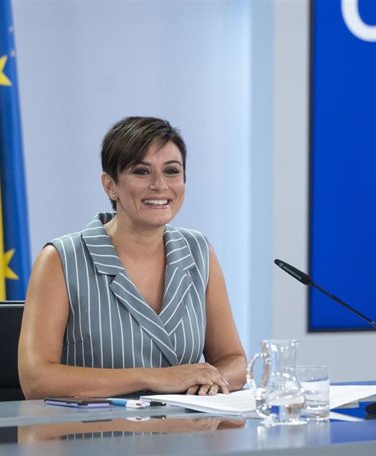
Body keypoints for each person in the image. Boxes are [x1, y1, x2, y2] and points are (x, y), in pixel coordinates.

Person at [18, 116, 246, 399]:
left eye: (172, 171)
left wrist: (209, 380)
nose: (160, 185)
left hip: (185, 436)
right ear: (110, 185)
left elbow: (234, 360)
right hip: (92, 437)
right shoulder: (61, 259)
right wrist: (155, 377)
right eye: (141, 171)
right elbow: (36, 379)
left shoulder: (198, 250)